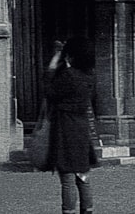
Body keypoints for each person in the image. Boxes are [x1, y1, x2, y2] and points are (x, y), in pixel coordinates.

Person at [46, 36, 99, 214]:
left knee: (68, 177)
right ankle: (87, 211)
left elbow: (49, 90)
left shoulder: (68, 76)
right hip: (81, 129)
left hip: (66, 129)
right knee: (83, 177)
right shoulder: (89, 76)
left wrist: (57, 58)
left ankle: (68, 211)